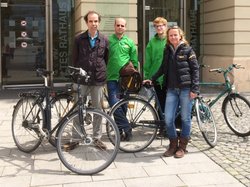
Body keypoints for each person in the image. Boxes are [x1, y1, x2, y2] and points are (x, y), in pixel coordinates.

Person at [144, 26, 199, 158]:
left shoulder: (188, 50)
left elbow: (195, 70)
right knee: (168, 119)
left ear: (180, 36)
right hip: (171, 89)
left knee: (185, 119)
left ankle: (182, 147)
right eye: (171, 35)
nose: (173, 37)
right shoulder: (167, 50)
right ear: (168, 38)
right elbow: (163, 68)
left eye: (175, 35)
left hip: (186, 89)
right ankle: (173, 144)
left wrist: (195, 89)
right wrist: (152, 79)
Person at [72, 10, 109, 150]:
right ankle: (75, 138)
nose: (93, 24)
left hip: (98, 79)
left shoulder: (104, 39)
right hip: (81, 80)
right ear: (86, 22)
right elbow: (74, 59)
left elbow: (106, 58)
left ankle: (97, 138)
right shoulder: (78, 39)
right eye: (90, 21)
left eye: (96, 21)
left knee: (98, 110)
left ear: (99, 22)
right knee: (77, 109)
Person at [107, 17, 138, 141]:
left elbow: (134, 61)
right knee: (114, 104)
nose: (120, 27)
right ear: (114, 26)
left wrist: (134, 74)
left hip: (126, 79)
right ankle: (127, 127)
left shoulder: (130, 42)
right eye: (118, 25)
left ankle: (120, 131)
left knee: (124, 106)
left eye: (122, 25)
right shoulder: (108, 41)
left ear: (125, 27)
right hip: (111, 78)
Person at [144, 17, 168, 138]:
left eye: (161, 25)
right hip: (156, 77)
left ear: (165, 26)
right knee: (159, 104)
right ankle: (161, 127)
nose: (159, 28)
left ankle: (169, 126)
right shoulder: (152, 42)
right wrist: (147, 76)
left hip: (169, 78)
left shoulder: (170, 40)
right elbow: (148, 61)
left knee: (169, 103)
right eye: (157, 26)